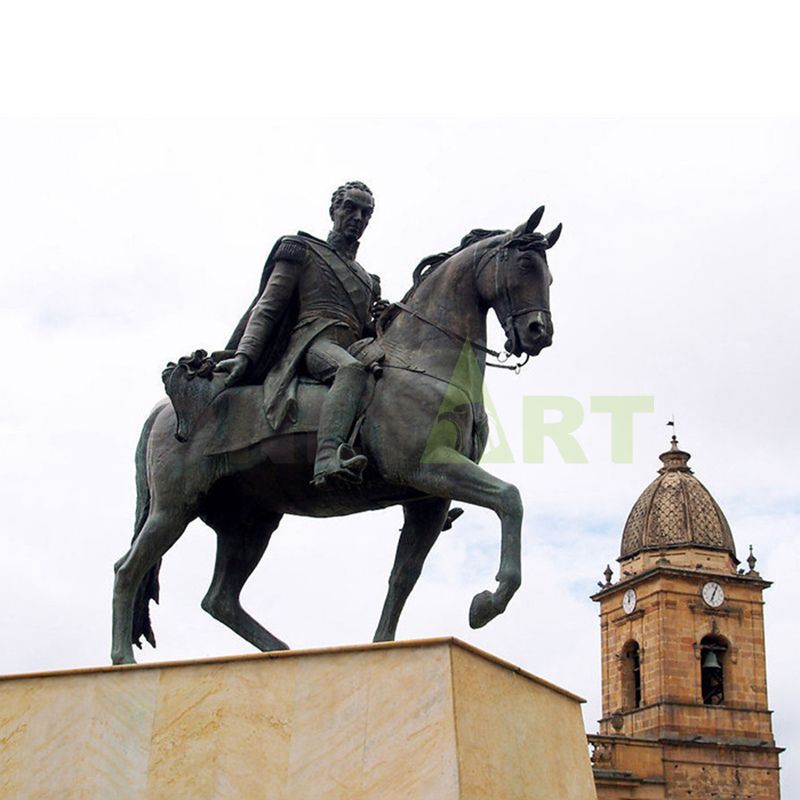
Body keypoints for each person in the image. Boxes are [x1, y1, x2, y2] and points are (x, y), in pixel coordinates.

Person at [215, 181, 386, 486]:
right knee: (350, 371)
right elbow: (267, 306)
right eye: (350, 208)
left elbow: (365, 327)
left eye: (366, 213)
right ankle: (327, 458)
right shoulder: (302, 249)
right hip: (313, 341)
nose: (358, 218)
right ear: (334, 209)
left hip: (354, 344)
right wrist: (245, 354)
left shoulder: (368, 280)